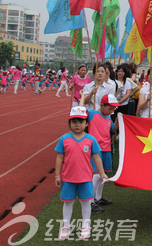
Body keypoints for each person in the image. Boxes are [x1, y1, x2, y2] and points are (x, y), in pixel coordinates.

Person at [54, 106, 108, 240]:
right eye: (74, 122)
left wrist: (102, 174)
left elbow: (97, 157)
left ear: (87, 123)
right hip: (68, 179)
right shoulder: (64, 139)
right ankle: (66, 227)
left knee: (86, 203)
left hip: (85, 179)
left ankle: (86, 226)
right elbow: (59, 157)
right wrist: (57, 175)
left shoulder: (91, 140)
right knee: (68, 203)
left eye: (81, 121)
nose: (77, 125)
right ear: (69, 123)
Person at [79, 92, 119, 213]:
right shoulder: (92, 114)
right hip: (95, 149)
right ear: (102, 105)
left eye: (113, 108)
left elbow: (113, 129)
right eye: (109, 107)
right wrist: (82, 97)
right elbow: (80, 110)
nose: (111, 110)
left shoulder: (108, 118)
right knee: (96, 174)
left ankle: (98, 198)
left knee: (103, 174)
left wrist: (118, 119)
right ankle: (90, 202)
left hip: (106, 148)